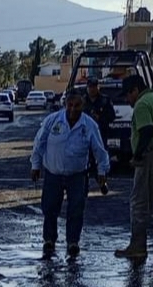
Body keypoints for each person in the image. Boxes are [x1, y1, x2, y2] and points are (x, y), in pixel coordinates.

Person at [31, 91, 110, 258]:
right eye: (70, 105)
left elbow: (99, 150)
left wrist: (102, 170)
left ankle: (73, 242)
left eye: (77, 105)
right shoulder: (52, 120)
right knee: (49, 208)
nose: (73, 109)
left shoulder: (89, 125)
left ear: (83, 105)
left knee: (76, 209)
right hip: (53, 173)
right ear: (65, 104)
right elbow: (39, 143)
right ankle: (49, 240)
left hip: (77, 175)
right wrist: (35, 165)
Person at [114, 74, 153, 261]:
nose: (127, 100)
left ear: (135, 90)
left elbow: (147, 130)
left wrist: (137, 155)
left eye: (128, 95)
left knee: (139, 203)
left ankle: (138, 246)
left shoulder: (142, 104)